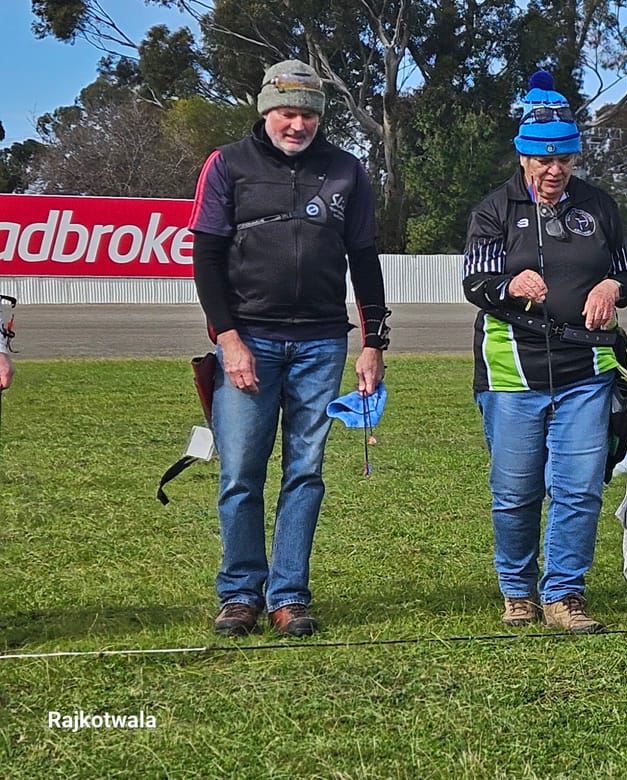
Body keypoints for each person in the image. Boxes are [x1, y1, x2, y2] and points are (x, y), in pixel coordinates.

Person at [189, 60, 389, 638]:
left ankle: (289, 595)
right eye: (286, 113)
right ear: (265, 111)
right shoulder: (227, 164)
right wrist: (228, 339)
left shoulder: (347, 170)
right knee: (240, 474)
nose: (297, 125)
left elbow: (364, 260)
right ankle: (239, 593)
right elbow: (205, 257)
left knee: (305, 472)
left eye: (308, 115)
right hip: (247, 341)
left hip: (321, 344)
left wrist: (373, 342)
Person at [462, 71, 627, 633]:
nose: (554, 169)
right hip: (511, 373)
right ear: (523, 157)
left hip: (587, 372)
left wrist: (612, 286)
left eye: (564, 158)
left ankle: (564, 593)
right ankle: (518, 590)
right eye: (543, 159)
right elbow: (474, 283)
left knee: (579, 488)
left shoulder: (599, 206)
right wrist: (509, 285)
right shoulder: (494, 209)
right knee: (515, 491)